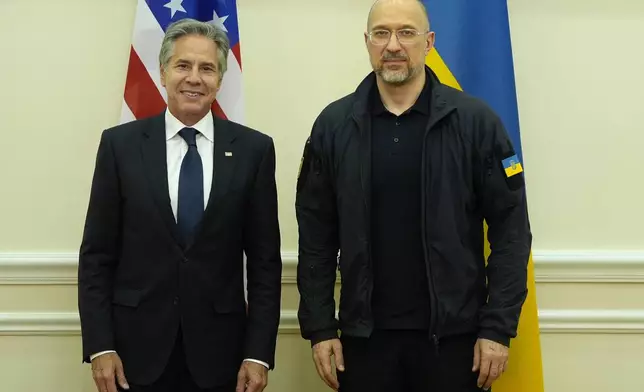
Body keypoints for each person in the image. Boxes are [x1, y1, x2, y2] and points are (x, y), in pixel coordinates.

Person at [295, 0, 532, 391]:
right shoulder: (334, 126)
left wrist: (497, 327)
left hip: (458, 343)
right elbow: (316, 237)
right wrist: (320, 327)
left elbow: (511, 233)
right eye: (381, 33)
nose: (393, 45)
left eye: (407, 32)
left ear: (429, 42)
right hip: (363, 341)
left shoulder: (475, 123)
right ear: (367, 42)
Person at [78, 18, 282, 392]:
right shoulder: (119, 146)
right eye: (183, 65)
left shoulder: (255, 150)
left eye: (207, 68)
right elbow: (96, 256)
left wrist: (258, 353)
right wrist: (100, 345)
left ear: (220, 79)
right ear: (163, 72)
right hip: (133, 353)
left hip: (221, 356)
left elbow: (265, 262)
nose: (194, 78)